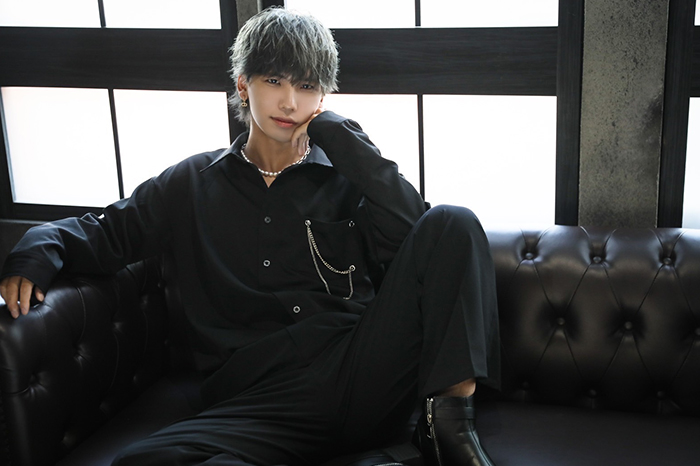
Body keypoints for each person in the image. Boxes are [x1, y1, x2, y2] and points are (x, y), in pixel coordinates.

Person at [0, 7, 500, 466]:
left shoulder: (349, 178)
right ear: (244, 85)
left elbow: (420, 238)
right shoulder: (191, 182)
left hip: (356, 372)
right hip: (256, 402)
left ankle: (448, 432)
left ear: (322, 97)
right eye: (274, 80)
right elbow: (106, 232)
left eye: (306, 86)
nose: (290, 101)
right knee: (141, 462)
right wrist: (37, 248)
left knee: (453, 220)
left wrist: (340, 135)